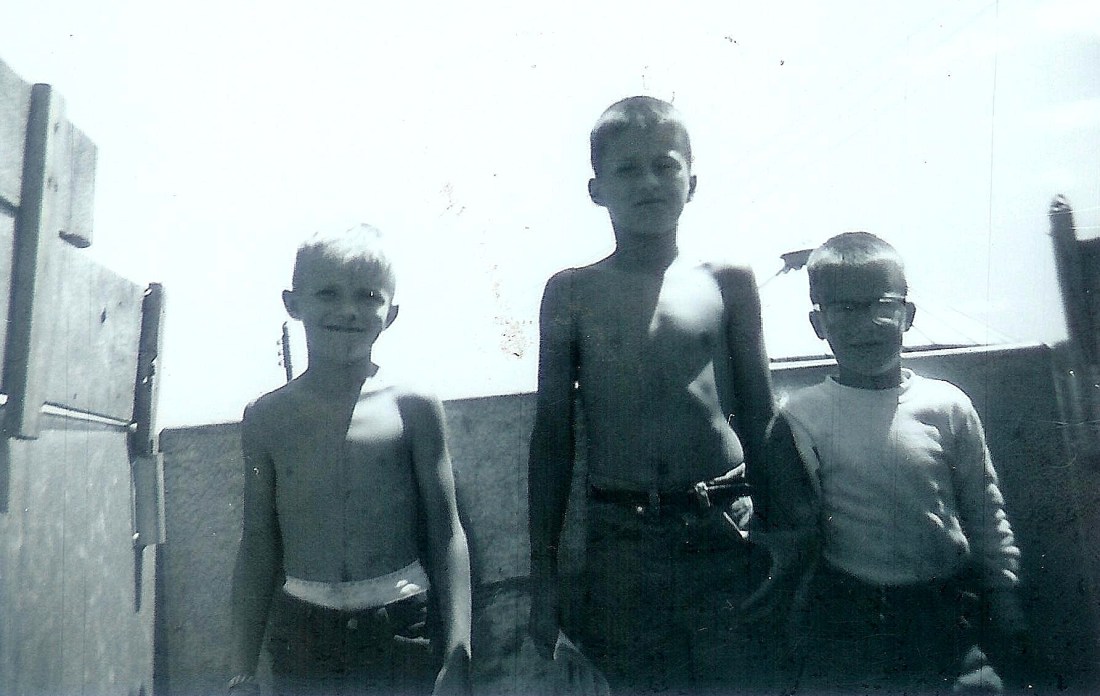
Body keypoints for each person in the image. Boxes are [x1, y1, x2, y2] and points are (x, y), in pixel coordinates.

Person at [527, 95, 779, 694]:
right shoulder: (570, 293)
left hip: (725, 521)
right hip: (623, 539)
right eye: (627, 168)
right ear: (596, 189)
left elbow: (761, 417)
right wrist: (545, 577)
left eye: (665, 165)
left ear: (693, 182)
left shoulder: (729, 282)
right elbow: (553, 437)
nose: (648, 181)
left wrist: (790, 531)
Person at [755, 231, 1025, 694]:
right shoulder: (803, 416)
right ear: (819, 323)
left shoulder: (947, 405)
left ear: (908, 315)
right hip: (853, 614)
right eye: (844, 309)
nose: (866, 324)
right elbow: (798, 533)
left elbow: (984, 509)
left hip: (949, 605)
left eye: (882, 304)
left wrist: (1004, 593)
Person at [227, 224, 472, 696]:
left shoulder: (413, 406)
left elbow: (447, 533)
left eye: (367, 296)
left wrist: (459, 649)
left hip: (401, 624)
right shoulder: (266, 416)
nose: (347, 311)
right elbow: (258, 543)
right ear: (293, 304)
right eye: (327, 294)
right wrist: (241, 671)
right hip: (303, 632)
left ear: (391, 312)